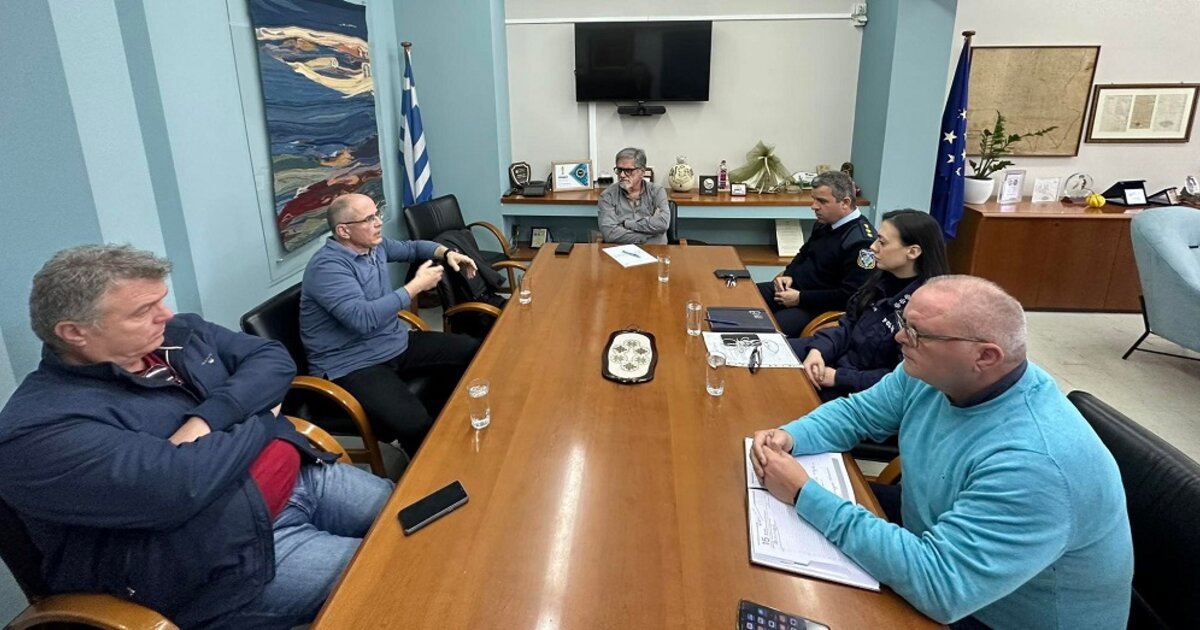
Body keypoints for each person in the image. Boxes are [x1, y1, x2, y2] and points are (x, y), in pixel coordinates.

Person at [0, 244, 393, 629]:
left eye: (160, 300)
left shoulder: (179, 333)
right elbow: (178, 486)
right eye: (143, 311)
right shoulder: (37, 430)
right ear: (74, 332)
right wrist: (263, 418)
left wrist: (206, 421)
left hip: (303, 475)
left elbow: (272, 359)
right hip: (233, 561)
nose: (165, 315)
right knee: (398, 571)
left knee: (417, 515)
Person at [750, 276, 1133, 628]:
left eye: (918, 333)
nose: (900, 337)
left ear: (985, 356)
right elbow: (858, 413)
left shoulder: (1035, 463)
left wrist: (803, 493)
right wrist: (790, 437)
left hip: (990, 614)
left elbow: (940, 588)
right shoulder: (934, 373)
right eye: (904, 323)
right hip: (940, 542)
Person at [301, 193, 481, 455]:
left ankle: (442, 424)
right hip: (351, 363)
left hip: (392, 342)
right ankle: (428, 464)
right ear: (343, 231)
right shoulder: (327, 268)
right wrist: (415, 287)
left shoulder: (374, 246)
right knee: (414, 424)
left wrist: (447, 253)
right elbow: (362, 319)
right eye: (368, 219)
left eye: (377, 214)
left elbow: (413, 248)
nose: (378, 223)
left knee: (473, 350)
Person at [794, 209, 950, 401]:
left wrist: (838, 378)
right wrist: (818, 350)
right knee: (774, 352)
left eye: (882, 242)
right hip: (839, 363)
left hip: (864, 392)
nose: (873, 247)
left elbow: (901, 377)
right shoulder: (881, 279)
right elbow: (848, 325)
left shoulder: (926, 308)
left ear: (913, 251)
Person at [757, 171, 875, 336]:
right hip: (792, 290)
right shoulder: (824, 223)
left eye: (822, 201)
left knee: (767, 331)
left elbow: (851, 295)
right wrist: (789, 274)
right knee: (742, 295)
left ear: (845, 203)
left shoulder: (861, 242)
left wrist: (800, 298)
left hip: (817, 306)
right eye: (814, 199)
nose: (813, 206)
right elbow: (803, 254)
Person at [597, 147, 671, 244]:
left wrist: (626, 224)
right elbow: (610, 234)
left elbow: (662, 224)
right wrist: (651, 235)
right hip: (621, 251)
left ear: (642, 172)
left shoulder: (657, 191)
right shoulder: (607, 196)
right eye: (619, 170)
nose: (622, 175)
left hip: (655, 250)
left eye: (628, 170)